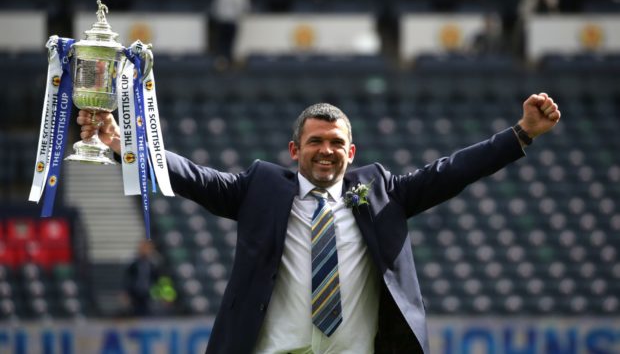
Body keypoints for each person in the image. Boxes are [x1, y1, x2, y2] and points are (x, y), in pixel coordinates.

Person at [78, 93, 560, 353]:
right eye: (314, 142)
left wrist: (521, 134)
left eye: (335, 142)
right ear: (295, 151)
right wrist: (125, 142)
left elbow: (453, 171)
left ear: (351, 152)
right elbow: (193, 178)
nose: (325, 150)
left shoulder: (382, 191)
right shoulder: (261, 189)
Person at [210, 0, 251, 68]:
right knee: (229, 43)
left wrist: (216, 17)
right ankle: (228, 62)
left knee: (223, 42)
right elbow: (245, 7)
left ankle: (222, 62)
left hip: (222, 20)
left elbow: (215, 6)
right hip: (231, 21)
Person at [122, 239, 161, 317]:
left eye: (148, 248)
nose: (145, 250)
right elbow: (127, 278)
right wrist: (125, 293)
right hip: (135, 293)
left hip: (149, 294)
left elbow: (158, 279)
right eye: (143, 248)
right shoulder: (134, 263)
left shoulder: (154, 264)